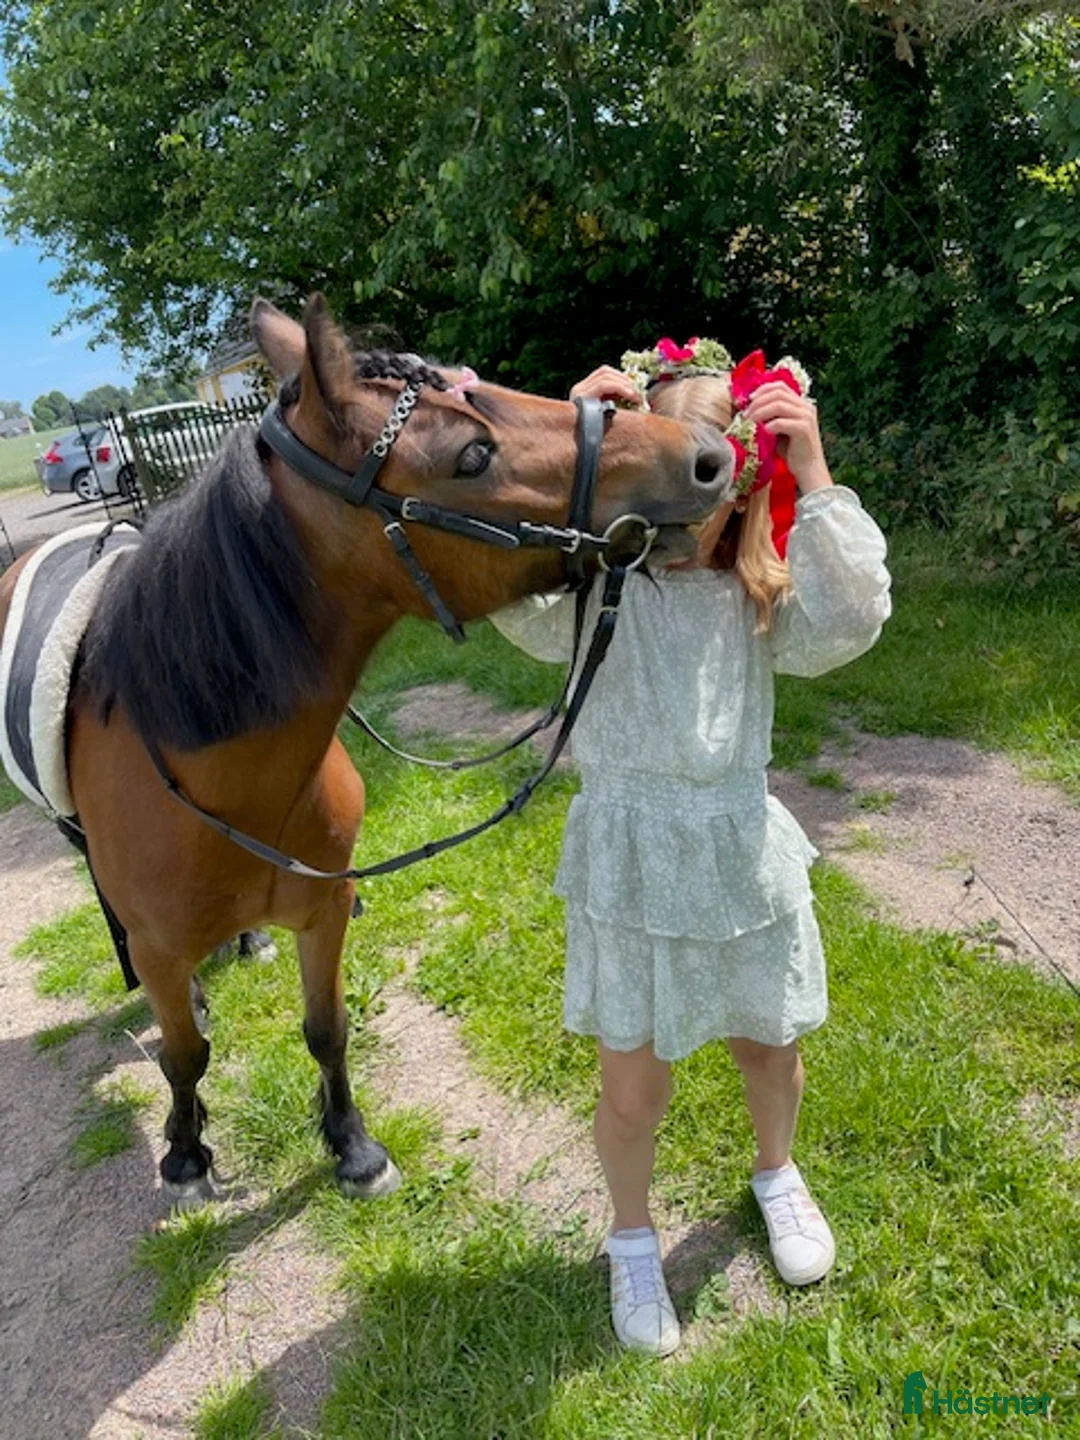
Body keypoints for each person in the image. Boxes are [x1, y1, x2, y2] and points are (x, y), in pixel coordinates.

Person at [489, 339, 891, 1357]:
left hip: (738, 852)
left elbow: (856, 618)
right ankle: (633, 1241)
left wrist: (817, 474)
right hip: (629, 864)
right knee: (633, 1087)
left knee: (769, 1043)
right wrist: (564, 441)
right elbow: (502, 578)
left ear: (740, 481)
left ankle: (776, 1174)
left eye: (709, 472)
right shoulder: (589, 595)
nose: (681, 506)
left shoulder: (761, 599)